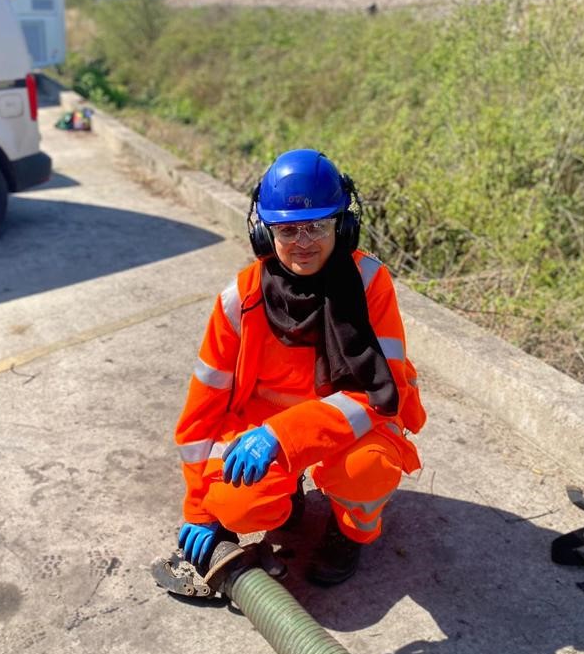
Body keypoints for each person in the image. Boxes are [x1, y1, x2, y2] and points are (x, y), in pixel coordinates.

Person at [173, 148, 426, 586]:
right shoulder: (240, 298)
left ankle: (349, 532)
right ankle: (288, 501)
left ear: (343, 226)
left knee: (367, 470)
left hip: (346, 424)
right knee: (234, 504)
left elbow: (379, 392)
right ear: (263, 234)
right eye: (287, 229)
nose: (303, 242)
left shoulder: (370, 285)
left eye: (317, 225)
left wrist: (281, 436)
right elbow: (203, 404)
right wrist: (199, 508)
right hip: (265, 427)